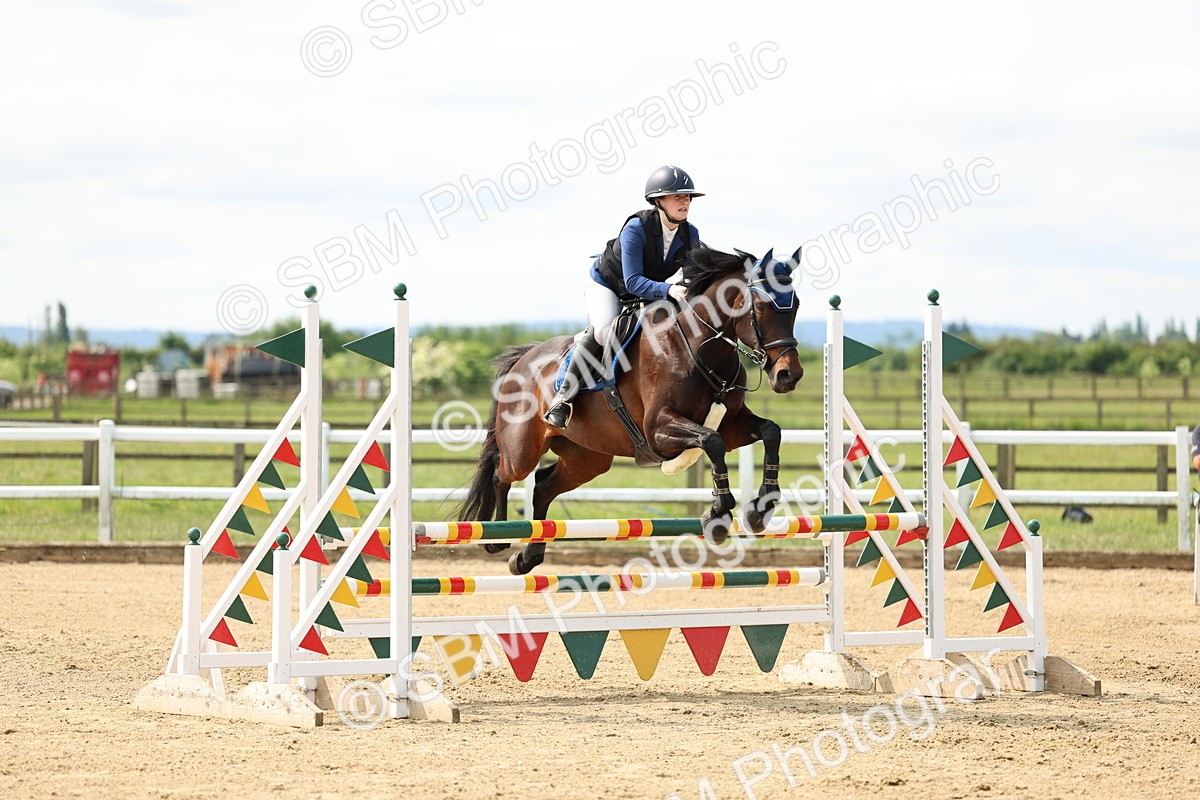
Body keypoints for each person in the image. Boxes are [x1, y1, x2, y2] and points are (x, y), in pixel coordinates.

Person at [542, 165, 704, 429]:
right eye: (677, 196)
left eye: (687, 197)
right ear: (658, 200)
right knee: (604, 332)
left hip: (648, 290)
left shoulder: (690, 233)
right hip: (609, 285)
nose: (684, 201)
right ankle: (563, 398)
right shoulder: (636, 228)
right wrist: (669, 290)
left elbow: (692, 273)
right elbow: (632, 282)